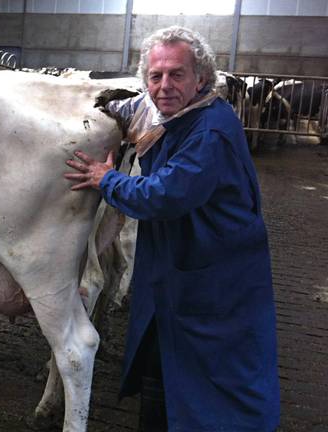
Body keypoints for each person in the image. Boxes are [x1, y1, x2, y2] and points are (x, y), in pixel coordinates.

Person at [65, 26, 280, 431]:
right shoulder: (181, 113)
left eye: (176, 74)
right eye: (155, 76)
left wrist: (105, 179)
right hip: (182, 265)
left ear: (201, 78)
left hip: (215, 276)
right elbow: (143, 113)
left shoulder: (210, 131)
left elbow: (163, 196)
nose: (164, 86)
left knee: (217, 379)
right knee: (164, 361)